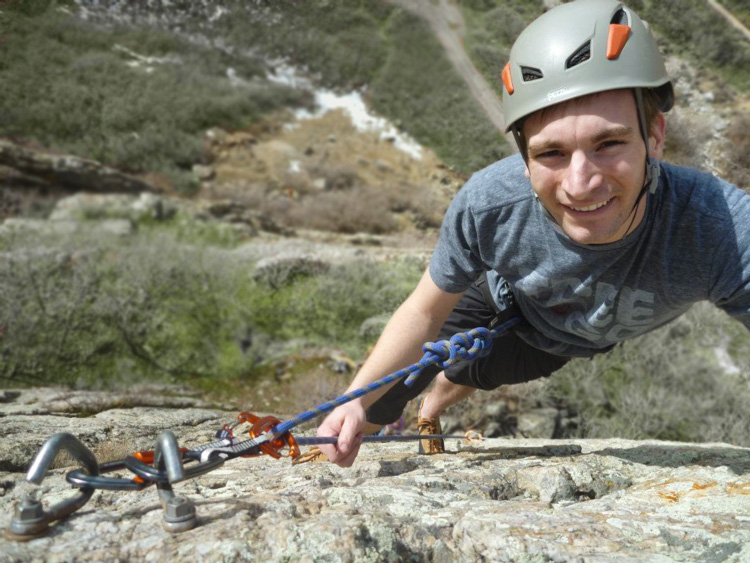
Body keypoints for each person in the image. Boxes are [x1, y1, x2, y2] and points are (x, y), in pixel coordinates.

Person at [315, 0, 750, 467]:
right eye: (551, 154)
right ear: (524, 159)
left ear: (656, 136)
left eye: (609, 144)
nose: (580, 183)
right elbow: (425, 311)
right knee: (389, 394)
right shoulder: (490, 204)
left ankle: (436, 402)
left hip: (561, 340)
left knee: (476, 373)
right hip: (497, 294)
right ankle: (406, 406)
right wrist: (353, 404)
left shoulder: (717, 227)